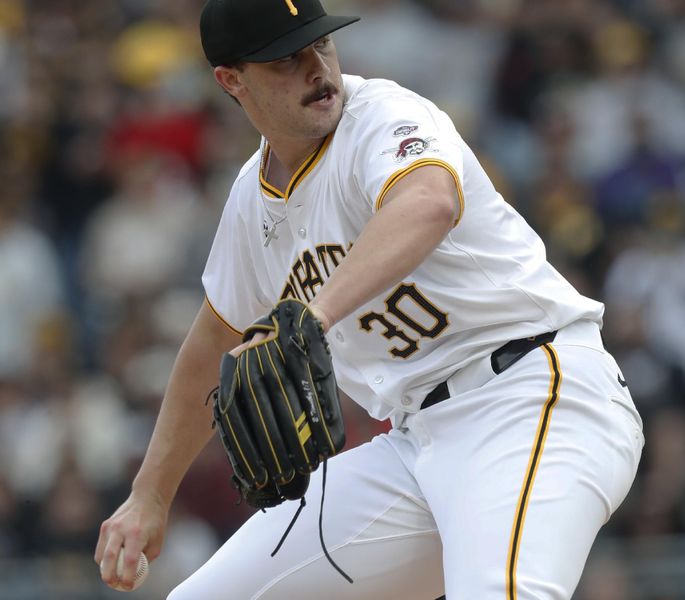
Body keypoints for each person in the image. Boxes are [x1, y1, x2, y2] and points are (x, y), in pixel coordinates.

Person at [94, 0, 644, 598]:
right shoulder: (252, 204)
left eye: (321, 45)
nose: (316, 69)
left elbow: (428, 201)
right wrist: (149, 494)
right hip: (417, 445)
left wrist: (315, 313)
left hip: (533, 396)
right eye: (287, 59)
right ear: (232, 80)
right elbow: (213, 339)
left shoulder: (382, 116)